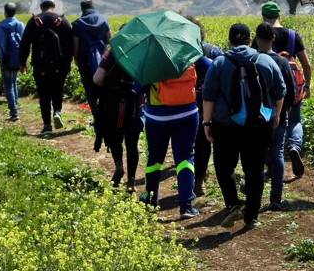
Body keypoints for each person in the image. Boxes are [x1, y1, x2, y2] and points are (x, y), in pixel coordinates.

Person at [202, 23, 285, 229]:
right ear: (251, 40)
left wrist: (206, 122)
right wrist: (276, 116)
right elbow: (280, 91)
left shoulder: (219, 63)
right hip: (258, 125)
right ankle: (252, 217)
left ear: (229, 41)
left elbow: (209, 96)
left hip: (226, 126)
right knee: (255, 170)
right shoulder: (265, 60)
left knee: (223, 167)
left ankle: (233, 204)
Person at [141, 56, 208, 219]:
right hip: (187, 113)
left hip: (157, 116)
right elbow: (209, 67)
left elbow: (139, 87)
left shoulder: (149, 59)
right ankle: (186, 206)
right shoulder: (188, 53)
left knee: (155, 159)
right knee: (185, 158)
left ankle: (150, 201)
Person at [261, 1, 312, 178]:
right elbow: (306, 64)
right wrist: (306, 86)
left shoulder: (262, 36)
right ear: (279, 16)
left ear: (263, 16)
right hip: (293, 86)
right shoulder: (292, 35)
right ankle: (294, 146)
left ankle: (271, 166)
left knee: (269, 125)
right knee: (295, 120)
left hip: (269, 90)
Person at [253, 23, 296, 211]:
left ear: (256, 39)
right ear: (273, 40)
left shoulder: (252, 60)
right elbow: (291, 93)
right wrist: (283, 111)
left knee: (257, 154)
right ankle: (276, 199)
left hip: (256, 116)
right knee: (277, 152)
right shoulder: (282, 62)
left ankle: (253, 196)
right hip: (277, 114)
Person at [18, 0, 74, 134]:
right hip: (59, 66)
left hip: (40, 65)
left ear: (41, 7)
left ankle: (47, 125)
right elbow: (70, 45)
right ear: (53, 6)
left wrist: (22, 62)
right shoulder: (62, 21)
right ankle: (58, 112)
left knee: (44, 95)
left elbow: (24, 43)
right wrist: (68, 63)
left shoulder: (34, 21)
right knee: (57, 91)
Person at [93, 47, 143, 189]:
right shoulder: (142, 53)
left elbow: (97, 79)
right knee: (132, 144)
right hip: (134, 105)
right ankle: (131, 180)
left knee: (115, 139)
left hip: (113, 104)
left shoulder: (112, 53)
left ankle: (119, 165)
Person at [186, 15, 223, 198]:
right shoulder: (213, 51)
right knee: (205, 143)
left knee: (189, 145)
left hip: (185, 105)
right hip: (211, 105)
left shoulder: (179, 53)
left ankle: (193, 180)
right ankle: (200, 181)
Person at [72, 0, 112, 147]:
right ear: (93, 6)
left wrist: (77, 60)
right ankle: (108, 117)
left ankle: (98, 119)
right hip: (104, 63)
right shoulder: (103, 20)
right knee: (106, 89)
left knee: (91, 92)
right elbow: (110, 40)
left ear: (82, 8)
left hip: (86, 63)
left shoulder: (77, 24)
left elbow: (76, 46)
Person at [0, 2, 25, 121]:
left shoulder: (0, 26)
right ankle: (16, 104)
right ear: (15, 12)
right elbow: (24, 42)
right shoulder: (20, 25)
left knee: (8, 85)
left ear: (5, 12)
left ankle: (14, 112)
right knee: (14, 81)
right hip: (17, 58)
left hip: (5, 59)